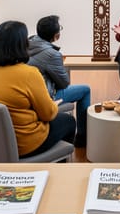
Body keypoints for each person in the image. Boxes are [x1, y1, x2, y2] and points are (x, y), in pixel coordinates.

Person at [0, 21, 76, 158]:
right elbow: (48, 114)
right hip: (23, 144)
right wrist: (52, 105)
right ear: (22, 44)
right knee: (68, 121)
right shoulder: (29, 73)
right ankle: (57, 168)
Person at [27, 15, 91, 147]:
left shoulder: (28, 42)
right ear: (56, 35)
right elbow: (64, 83)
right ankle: (82, 137)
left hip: (28, 93)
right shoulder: (53, 54)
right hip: (45, 95)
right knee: (85, 90)